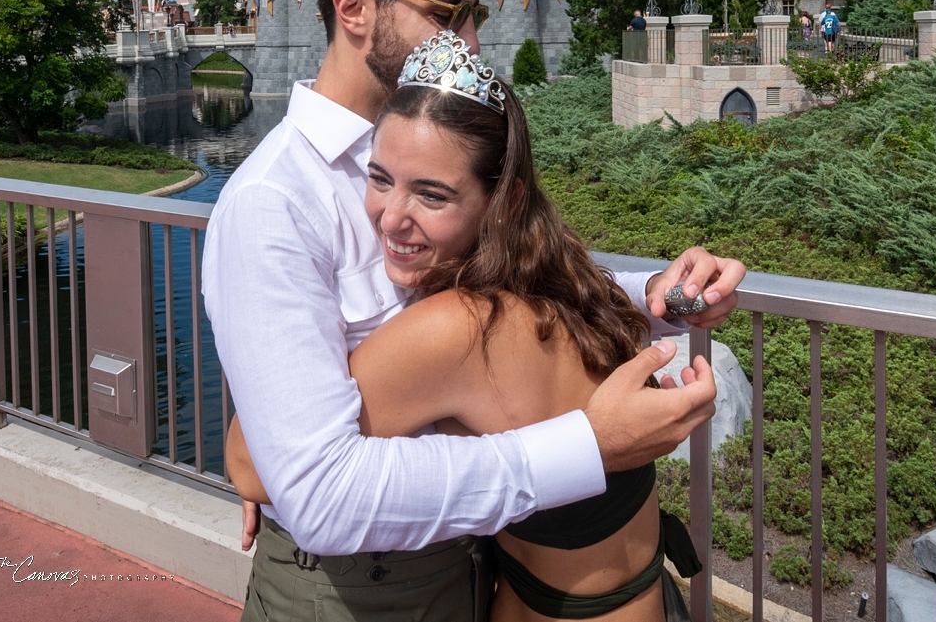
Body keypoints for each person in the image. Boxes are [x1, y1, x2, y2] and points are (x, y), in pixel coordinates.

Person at [202, 0, 744, 622]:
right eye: (449, 13)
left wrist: (648, 295)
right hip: (360, 592)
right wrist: (584, 446)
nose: (473, 41)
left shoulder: (427, 141)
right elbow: (315, 492)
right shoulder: (274, 203)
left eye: (475, 15)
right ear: (353, 8)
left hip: (472, 566)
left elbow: (508, 299)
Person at [229, 30, 711, 621]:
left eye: (431, 195)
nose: (390, 218)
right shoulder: (561, 278)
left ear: (502, 200)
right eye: (379, 179)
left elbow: (250, 462)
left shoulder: (457, 327)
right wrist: (670, 294)